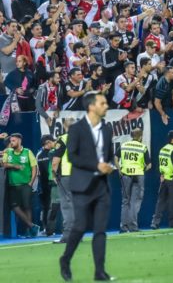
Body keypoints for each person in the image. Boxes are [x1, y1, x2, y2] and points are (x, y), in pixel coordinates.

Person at [59, 92, 116, 282]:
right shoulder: (76, 129)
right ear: (91, 106)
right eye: (103, 103)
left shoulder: (107, 129)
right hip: (82, 186)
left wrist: (110, 166)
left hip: (102, 186)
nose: (106, 106)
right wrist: (96, 165)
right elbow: (72, 156)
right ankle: (65, 259)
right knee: (80, 226)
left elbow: (109, 156)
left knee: (100, 230)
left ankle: (100, 271)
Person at [2, 133, 40, 237]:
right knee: (14, 206)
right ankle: (32, 226)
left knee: (27, 207)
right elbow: (3, 164)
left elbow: (34, 167)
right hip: (13, 185)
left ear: (19, 140)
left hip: (25, 184)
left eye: (13, 141)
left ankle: (29, 231)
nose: (11, 143)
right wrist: (15, 166)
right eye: (11, 141)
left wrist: (31, 182)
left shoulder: (27, 152)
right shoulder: (8, 152)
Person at [115, 128, 151, 233]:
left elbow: (115, 158)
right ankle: (133, 227)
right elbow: (149, 165)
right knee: (135, 202)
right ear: (140, 136)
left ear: (131, 136)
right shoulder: (143, 147)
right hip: (138, 175)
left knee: (125, 201)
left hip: (125, 174)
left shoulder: (124, 145)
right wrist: (142, 170)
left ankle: (123, 227)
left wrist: (119, 169)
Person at [151, 130, 173, 229]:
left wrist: (161, 175)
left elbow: (159, 164)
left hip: (164, 178)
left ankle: (155, 223)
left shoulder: (163, 149)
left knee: (161, 201)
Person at [50, 119, 74, 244]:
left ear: (65, 127)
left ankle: (68, 235)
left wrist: (54, 174)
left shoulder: (63, 139)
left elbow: (55, 160)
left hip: (66, 175)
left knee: (67, 205)